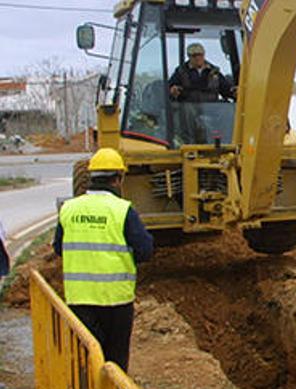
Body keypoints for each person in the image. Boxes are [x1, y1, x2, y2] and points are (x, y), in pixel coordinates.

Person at [53, 148, 154, 371]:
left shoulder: (69, 208)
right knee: (115, 359)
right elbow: (145, 250)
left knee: (87, 356)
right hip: (116, 300)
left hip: (79, 299)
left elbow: (58, 248)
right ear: (118, 179)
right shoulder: (123, 210)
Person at [168, 43, 236, 102]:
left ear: (204, 55)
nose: (198, 58)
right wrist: (173, 90)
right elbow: (170, 88)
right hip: (188, 111)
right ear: (189, 56)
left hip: (213, 111)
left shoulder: (214, 72)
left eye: (200, 55)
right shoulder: (181, 72)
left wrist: (234, 92)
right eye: (194, 56)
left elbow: (226, 89)